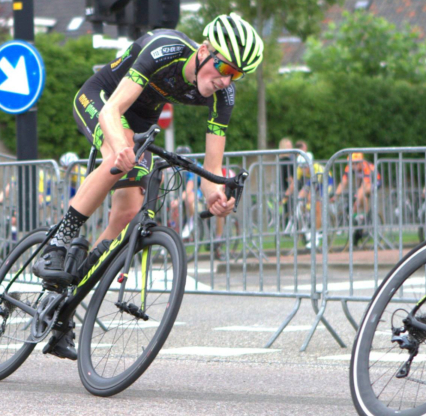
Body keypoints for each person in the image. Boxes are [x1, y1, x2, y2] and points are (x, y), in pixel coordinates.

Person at [32, 13, 264, 359]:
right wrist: (120, 146)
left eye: (237, 75)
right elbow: (112, 110)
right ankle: (61, 236)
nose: (226, 80)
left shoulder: (223, 96)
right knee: (117, 153)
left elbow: (211, 170)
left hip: (140, 121)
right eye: (225, 68)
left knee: (127, 211)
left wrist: (215, 195)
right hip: (102, 100)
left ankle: (66, 302)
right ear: (204, 51)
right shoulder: (164, 49)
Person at [333, 152, 381, 219]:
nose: (353, 165)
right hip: (362, 181)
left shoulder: (366, 166)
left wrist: (357, 197)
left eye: (356, 163)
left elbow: (365, 185)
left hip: (374, 182)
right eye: (351, 163)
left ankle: (365, 215)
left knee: (362, 193)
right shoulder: (349, 167)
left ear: (361, 162)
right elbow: (343, 182)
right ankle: (355, 217)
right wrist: (336, 195)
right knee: (356, 196)